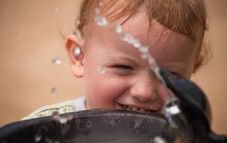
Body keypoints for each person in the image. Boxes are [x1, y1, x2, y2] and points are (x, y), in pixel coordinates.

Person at [23, 0, 210, 120]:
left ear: (193, 69)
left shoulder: (186, 134)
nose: (144, 93)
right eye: (123, 67)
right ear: (79, 56)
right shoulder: (49, 128)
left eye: (169, 75)